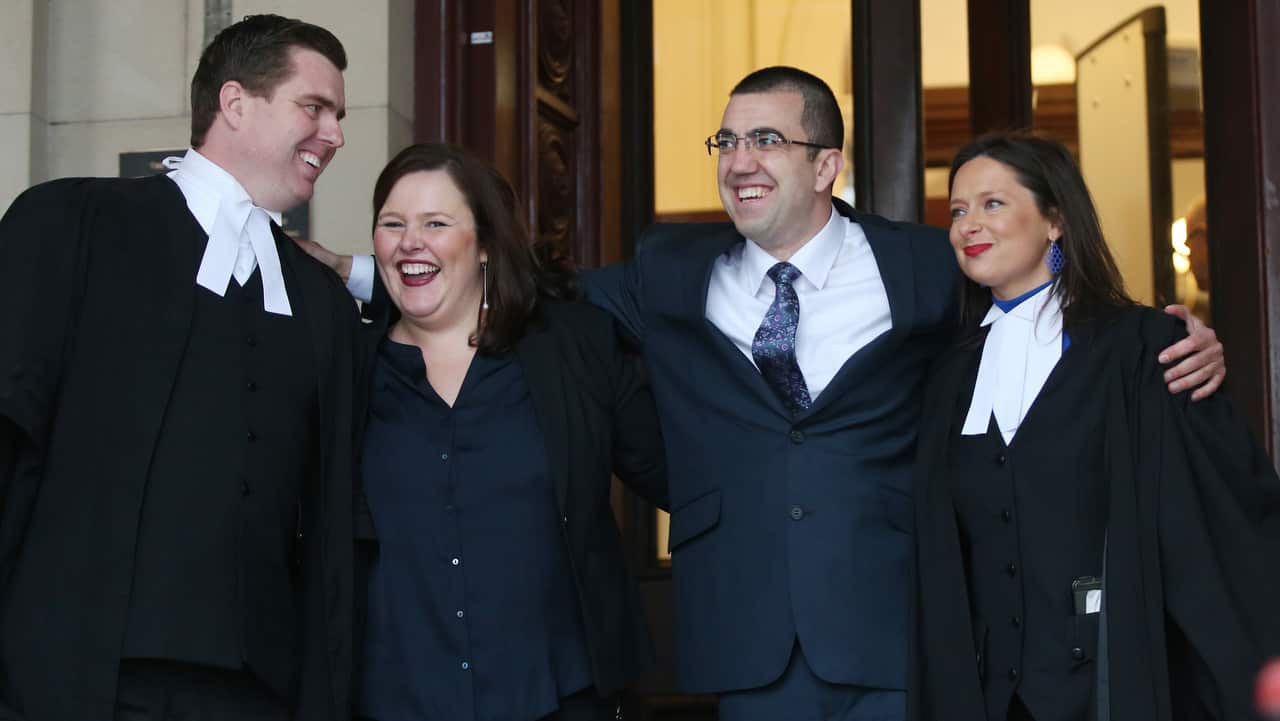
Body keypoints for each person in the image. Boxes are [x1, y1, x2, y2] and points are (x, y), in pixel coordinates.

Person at [302, 66, 1226, 721]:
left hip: (896, 618)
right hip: (746, 633)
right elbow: (515, 289)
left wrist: (1165, 332)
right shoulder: (670, 270)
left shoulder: (920, 263)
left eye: (767, 139)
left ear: (825, 164)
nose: (739, 158)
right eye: (727, 140)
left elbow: (1034, 298)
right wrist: (358, 271)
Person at [0, 15, 358, 721]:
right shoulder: (71, 224)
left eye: (340, 116)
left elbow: (330, 525)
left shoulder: (322, 303)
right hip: (76, 680)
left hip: (260, 691)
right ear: (234, 104)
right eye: (314, 108)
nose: (336, 135)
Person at [910, 132, 1280, 721]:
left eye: (992, 204)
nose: (967, 225)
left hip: (1114, 688)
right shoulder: (949, 376)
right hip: (988, 700)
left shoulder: (1143, 349)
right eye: (958, 211)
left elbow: (1215, 522)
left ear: (1055, 220)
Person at [352, 143, 667, 721]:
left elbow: (681, 478)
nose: (409, 241)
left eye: (436, 223)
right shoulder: (345, 372)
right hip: (398, 699)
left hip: (558, 695)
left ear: (487, 246)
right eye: (391, 224)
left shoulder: (575, 349)